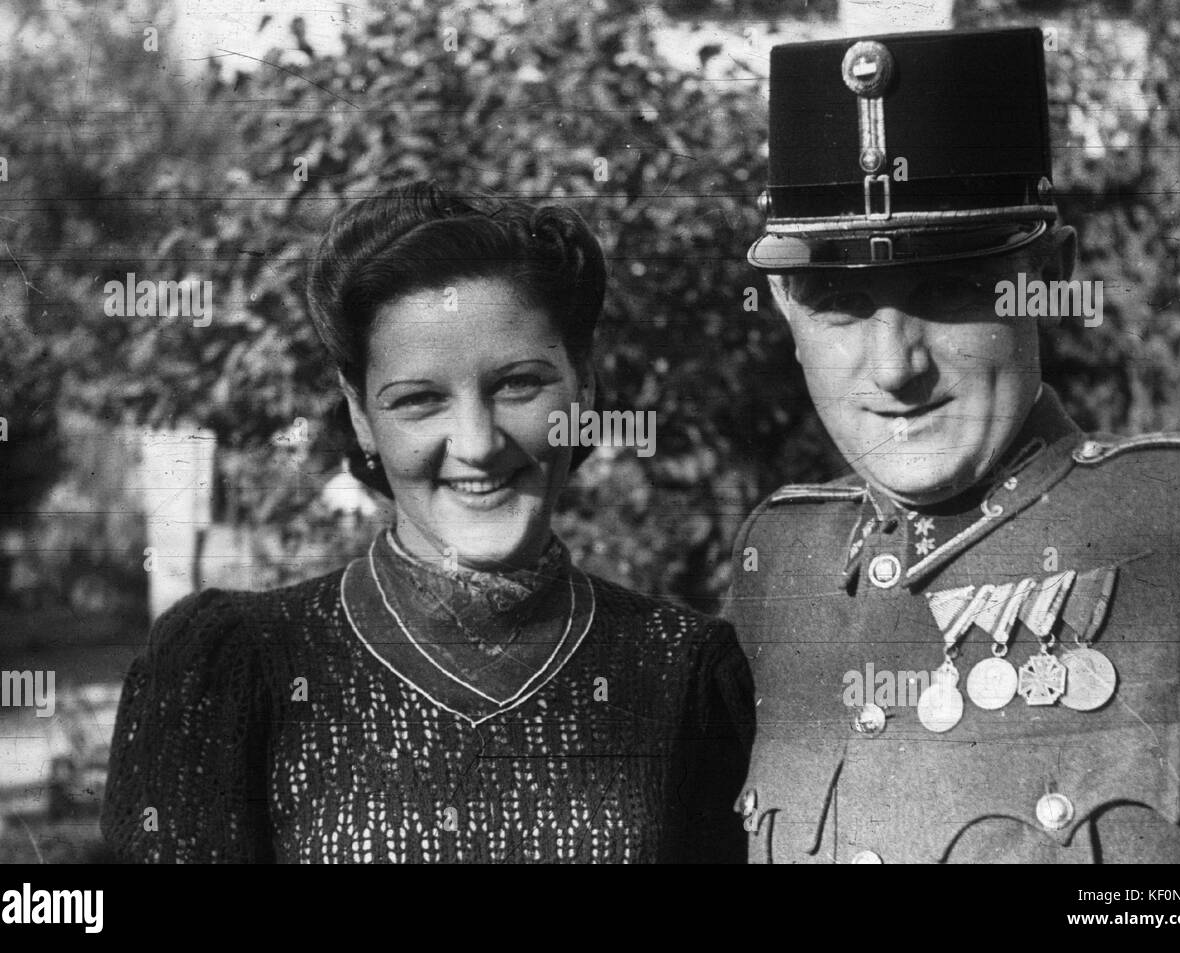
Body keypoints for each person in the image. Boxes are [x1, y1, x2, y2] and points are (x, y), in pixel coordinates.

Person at [101, 182, 753, 863]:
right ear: (361, 417)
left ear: (584, 387)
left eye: (518, 384)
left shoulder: (687, 673)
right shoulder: (234, 669)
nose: (476, 442)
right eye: (419, 399)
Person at [727, 26, 1180, 863]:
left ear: (1048, 278)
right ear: (787, 312)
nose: (895, 368)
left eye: (947, 289)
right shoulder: (779, 565)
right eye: (838, 301)